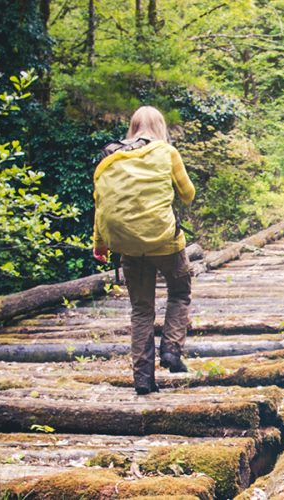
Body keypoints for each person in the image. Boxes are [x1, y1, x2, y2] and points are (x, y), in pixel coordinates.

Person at [92, 106, 196, 395]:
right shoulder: (166, 151)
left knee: (141, 310)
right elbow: (188, 195)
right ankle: (172, 350)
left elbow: (101, 206)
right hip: (165, 242)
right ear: (161, 126)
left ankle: (143, 381)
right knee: (179, 292)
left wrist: (99, 244)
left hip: (128, 246)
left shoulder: (111, 157)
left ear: (133, 126)